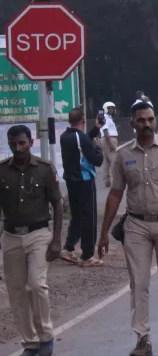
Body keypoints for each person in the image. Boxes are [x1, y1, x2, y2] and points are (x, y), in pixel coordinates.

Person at [98, 102, 158, 356]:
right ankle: (142, 338)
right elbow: (116, 193)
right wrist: (104, 232)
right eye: (141, 120)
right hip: (136, 226)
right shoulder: (122, 154)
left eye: (150, 119)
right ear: (132, 123)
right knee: (138, 283)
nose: (147, 124)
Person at [1, 125, 63, 356]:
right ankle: (30, 342)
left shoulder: (45, 170)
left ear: (31, 141)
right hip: (11, 237)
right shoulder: (2, 171)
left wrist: (57, 240)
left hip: (39, 234)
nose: (18, 148)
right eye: (13, 144)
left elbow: (57, 204)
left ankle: (46, 336)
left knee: (36, 285)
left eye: (22, 143)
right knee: (16, 291)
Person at [59, 108, 105, 267]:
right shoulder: (82, 139)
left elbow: (82, 140)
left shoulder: (65, 136)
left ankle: (68, 248)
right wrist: (98, 147)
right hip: (84, 180)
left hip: (71, 181)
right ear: (83, 120)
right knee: (88, 217)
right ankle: (87, 255)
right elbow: (97, 160)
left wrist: (96, 129)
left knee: (77, 216)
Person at [100, 101, 120, 187]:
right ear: (105, 108)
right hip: (109, 139)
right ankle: (113, 180)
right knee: (113, 160)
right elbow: (105, 131)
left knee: (106, 160)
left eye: (112, 108)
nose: (111, 109)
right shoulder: (105, 117)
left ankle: (107, 180)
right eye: (109, 108)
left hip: (107, 139)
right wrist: (111, 143)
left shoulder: (108, 117)